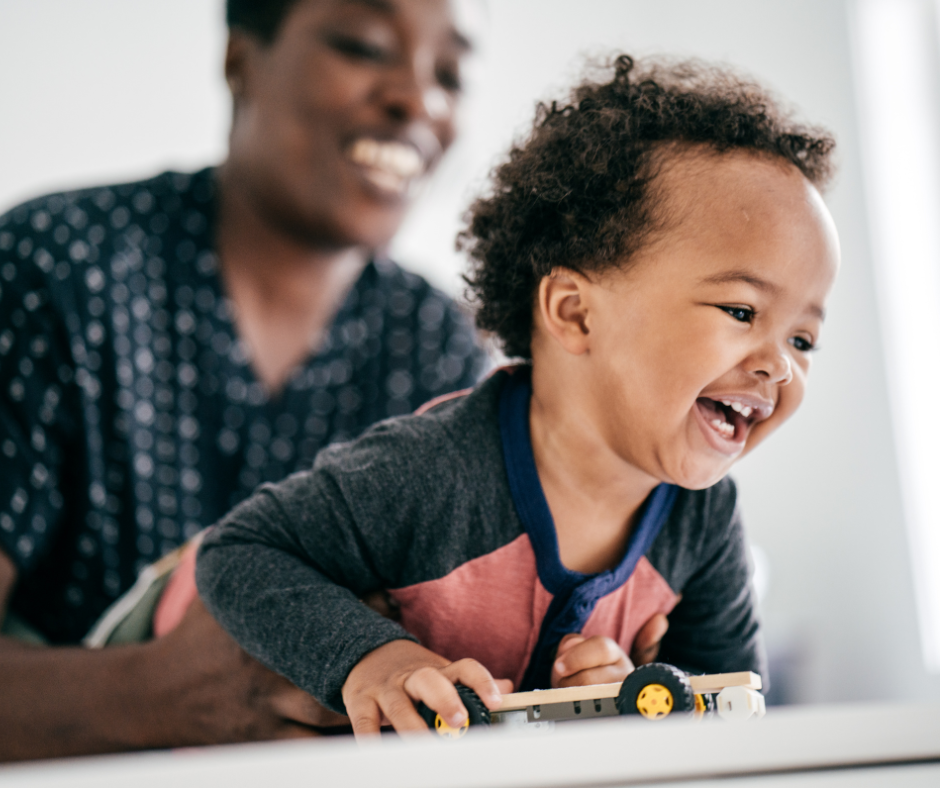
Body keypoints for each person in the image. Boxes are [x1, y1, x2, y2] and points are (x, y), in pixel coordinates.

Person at [196, 53, 840, 736]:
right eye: (741, 311)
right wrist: (372, 658)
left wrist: (634, 706)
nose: (780, 366)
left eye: (803, 340)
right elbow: (241, 553)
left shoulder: (703, 523)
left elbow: (725, 723)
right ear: (575, 313)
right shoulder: (430, 472)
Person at [0, 0, 491, 761]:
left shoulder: (436, 346)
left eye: (450, 74)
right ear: (240, 61)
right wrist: (154, 695)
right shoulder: (56, 270)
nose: (418, 99)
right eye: (364, 46)